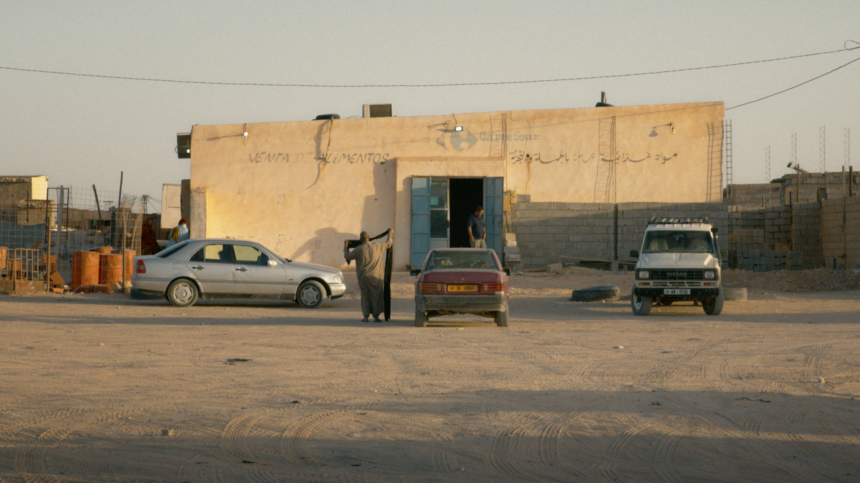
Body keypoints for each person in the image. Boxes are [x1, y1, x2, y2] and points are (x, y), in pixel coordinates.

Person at [344, 229, 393, 322]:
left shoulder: (359, 249)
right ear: (369, 237)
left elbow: (348, 256)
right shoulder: (378, 246)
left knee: (365, 296)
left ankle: (366, 317)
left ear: (361, 239)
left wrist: (345, 246)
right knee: (377, 296)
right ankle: (376, 317)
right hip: (377, 277)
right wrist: (390, 234)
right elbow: (389, 243)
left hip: (364, 277)